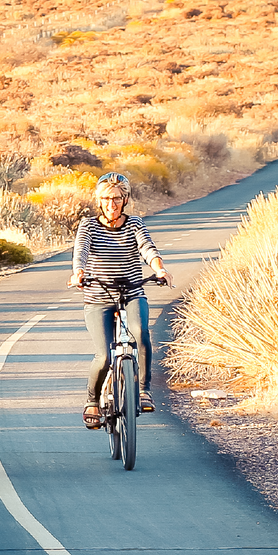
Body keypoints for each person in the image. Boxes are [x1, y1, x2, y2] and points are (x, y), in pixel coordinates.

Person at [70, 172, 172, 427]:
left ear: (125, 199)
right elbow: (81, 250)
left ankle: (143, 390)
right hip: (98, 296)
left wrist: (159, 269)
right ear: (98, 200)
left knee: (140, 333)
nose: (111, 204)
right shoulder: (89, 225)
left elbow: (147, 247)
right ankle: (92, 400)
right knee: (104, 356)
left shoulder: (135, 223)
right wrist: (78, 273)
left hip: (132, 292)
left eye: (116, 198)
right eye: (105, 198)